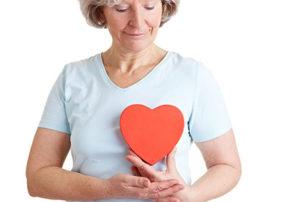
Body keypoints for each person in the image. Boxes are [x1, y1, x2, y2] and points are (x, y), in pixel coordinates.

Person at [26, 0, 241, 201]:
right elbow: (37, 177)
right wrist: (106, 189)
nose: (138, 22)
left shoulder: (192, 76)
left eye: (148, 6)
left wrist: (188, 195)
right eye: (121, 8)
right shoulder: (73, 78)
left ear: (164, 8)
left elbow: (227, 165)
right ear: (101, 11)